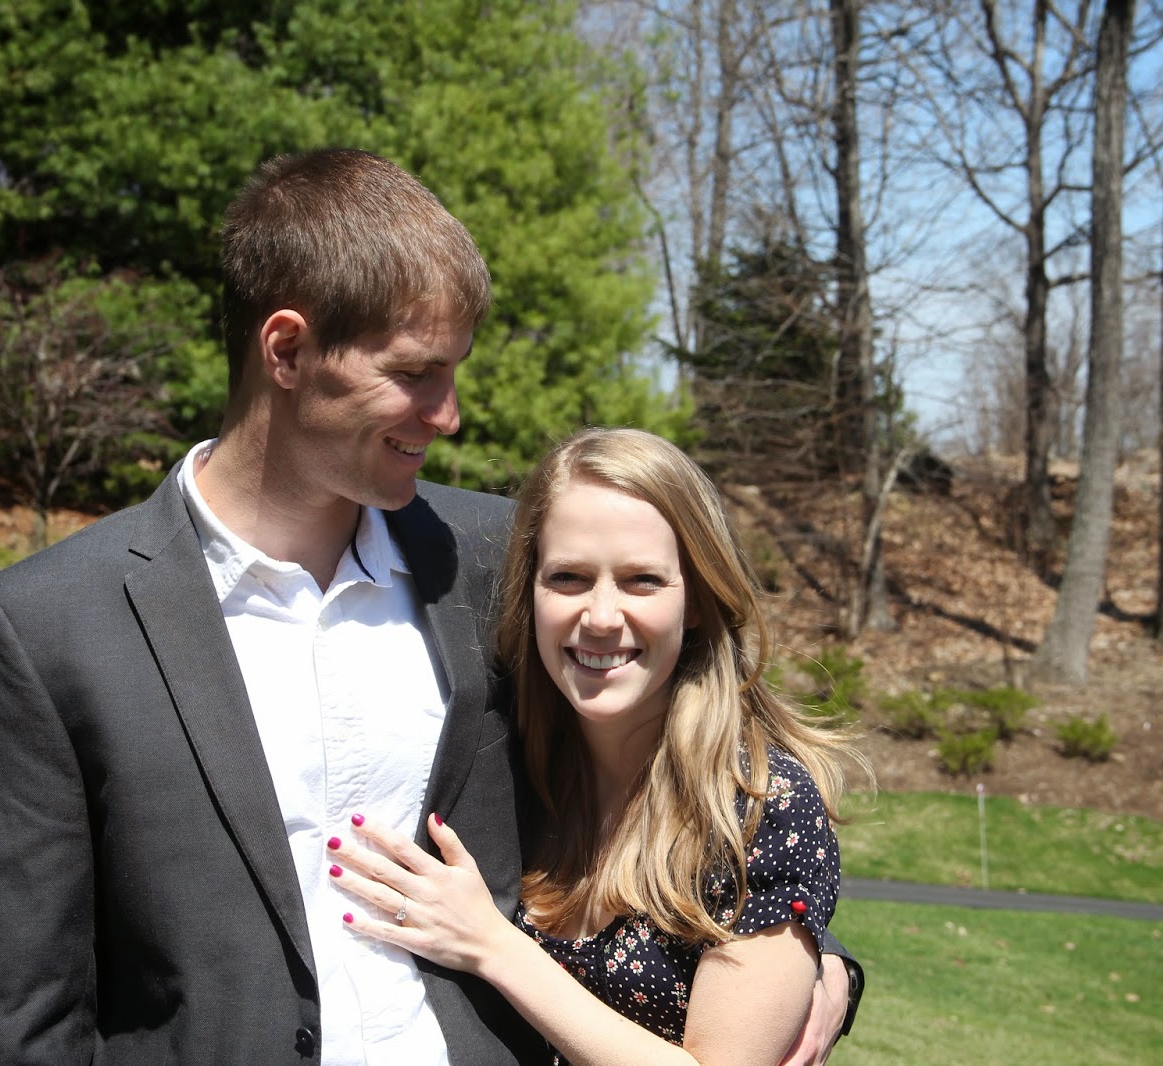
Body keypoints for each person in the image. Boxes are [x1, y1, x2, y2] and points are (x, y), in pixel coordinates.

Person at [0, 149, 857, 1065]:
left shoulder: (498, 561)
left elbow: (682, 789)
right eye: (417, 372)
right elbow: (22, 1011)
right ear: (287, 350)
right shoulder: (49, 626)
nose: (449, 413)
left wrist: (815, 957)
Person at [327, 427, 869, 1065]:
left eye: (642, 580)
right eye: (569, 577)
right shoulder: (511, 762)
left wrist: (491, 945)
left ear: (697, 599)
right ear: (528, 591)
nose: (603, 617)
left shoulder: (760, 807)